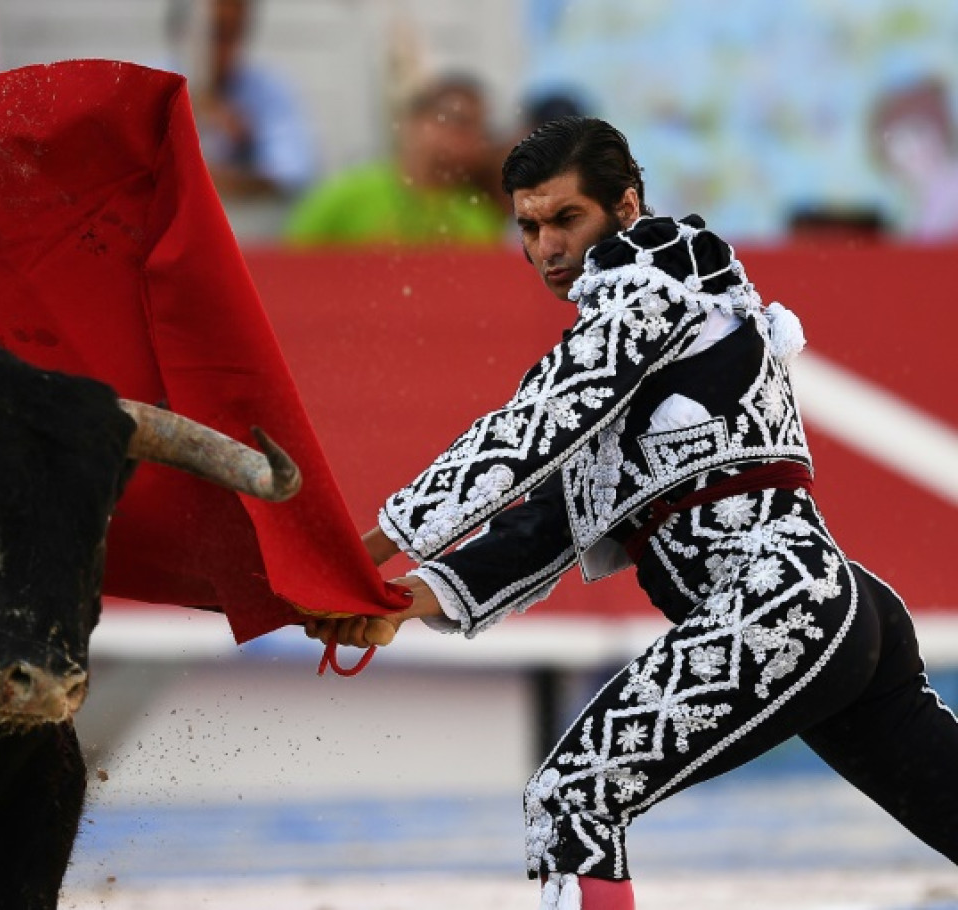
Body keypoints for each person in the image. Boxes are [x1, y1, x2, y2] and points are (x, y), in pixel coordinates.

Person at [307, 117, 958, 909]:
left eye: (565, 220)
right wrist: (398, 602)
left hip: (781, 604)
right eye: (528, 227)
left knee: (571, 800)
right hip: (831, 607)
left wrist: (356, 553)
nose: (546, 248)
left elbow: (527, 431)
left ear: (624, 207)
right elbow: (548, 520)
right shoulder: (668, 320)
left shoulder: (647, 283)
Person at [283, 73, 505, 246]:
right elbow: (290, 264)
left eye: (479, 128)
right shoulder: (348, 194)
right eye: (457, 120)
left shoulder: (477, 217)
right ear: (413, 122)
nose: (466, 138)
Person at [164, 0, 316, 200]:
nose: (226, 48)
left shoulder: (268, 90)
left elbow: (295, 174)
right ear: (182, 31)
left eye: (234, 34)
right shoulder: (150, 86)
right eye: (216, 33)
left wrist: (247, 145)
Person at [868, 75, 958, 242]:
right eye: (899, 139)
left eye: (919, 131)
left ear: (940, 131)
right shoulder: (911, 208)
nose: (914, 147)